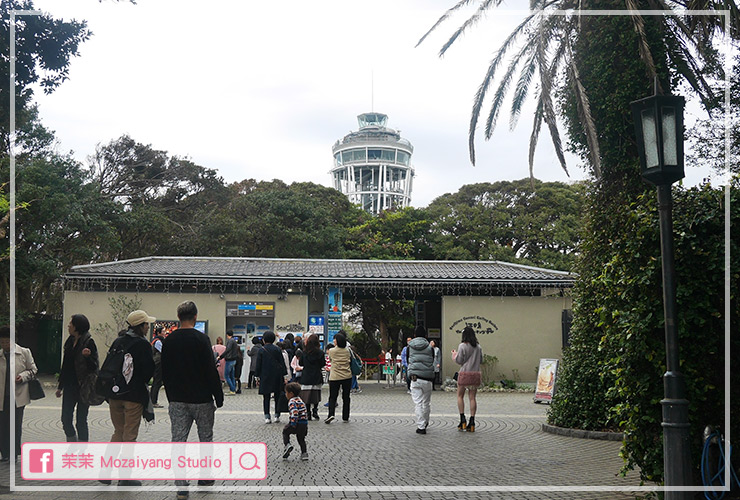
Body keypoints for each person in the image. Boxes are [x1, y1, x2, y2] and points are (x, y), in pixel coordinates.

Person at [162, 301, 224, 500]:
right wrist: (218, 395)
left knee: (178, 441)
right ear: (195, 316)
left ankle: (181, 486)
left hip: (178, 399)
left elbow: (164, 370)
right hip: (202, 399)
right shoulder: (201, 339)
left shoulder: (169, 340)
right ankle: (205, 478)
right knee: (205, 439)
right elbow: (209, 369)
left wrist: (171, 395)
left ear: (178, 317)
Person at [106, 310, 156, 444]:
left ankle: (108, 463)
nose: (148, 327)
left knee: (119, 431)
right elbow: (148, 371)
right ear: (140, 325)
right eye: (146, 324)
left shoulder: (118, 341)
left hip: (115, 394)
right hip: (134, 396)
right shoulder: (143, 344)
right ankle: (126, 464)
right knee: (130, 435)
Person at [56, 314, 99, 441]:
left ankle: (82, 448)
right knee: (65, 419)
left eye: (71, 323)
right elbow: (66, 365)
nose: (69, 325)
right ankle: (72, 440)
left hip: (84, 387)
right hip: (69, 386)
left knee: (81, 420)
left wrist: (88, 357)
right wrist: (60, 386)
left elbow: (94, 367)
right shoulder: (69, 341)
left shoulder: (89, 342)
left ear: (77, 326)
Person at [0, 326, 37, 462]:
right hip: (2, 397)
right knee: (2, 425)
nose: (5, 345)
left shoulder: (24, 353)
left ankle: (14, 454)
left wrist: (23, 376)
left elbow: (33, 370)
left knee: (15, 426)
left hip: (18, 395)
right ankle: (4, 453)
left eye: (7, 342)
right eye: (2, 342)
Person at [452, 326, 483, 432]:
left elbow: (459, 360)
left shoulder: (462, 346)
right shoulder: (478, 347)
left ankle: (462, 419)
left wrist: (454, 355)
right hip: (475, 374)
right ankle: (472, 421)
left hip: (465, 373)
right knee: (472, 398)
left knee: (460, 396)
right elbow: (481, 360)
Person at [254, 331, 287, 424]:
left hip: (265, 376)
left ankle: (267, 416)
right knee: (277, 396)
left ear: (264, 340)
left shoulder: (262, 350)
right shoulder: (277, 349)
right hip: (277, 375)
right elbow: (282, 363)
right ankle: (277, 415)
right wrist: (284, 375)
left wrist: (257, 376)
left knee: (266, 396)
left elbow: (258, 365)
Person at [407, 325, 435, 434]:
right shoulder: (430, 348)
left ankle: (421, 426)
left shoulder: (409, 347)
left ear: (414, 335)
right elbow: (432, 360)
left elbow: (408, 360)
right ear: (425, 336)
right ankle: (426, 422)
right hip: (427, 378)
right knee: (426, 403)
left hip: (415, 378)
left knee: (418, 403)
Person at [325, 332, 352, 424]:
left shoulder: (332, 351)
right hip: (347, 376)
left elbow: (331, 360)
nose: (334, 341)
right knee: (346, 397)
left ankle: (331, 414)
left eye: (335, 339)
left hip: (335, 376)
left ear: (337, 341)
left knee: (332, 397)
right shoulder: (348, 350)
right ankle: (345, 416)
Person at [298, 334, 325, 420]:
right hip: (316, 375)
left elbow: (300, 363)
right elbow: (322, 364)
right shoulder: (320, 353)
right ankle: (315, 411)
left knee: (306, 396)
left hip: (306, 376)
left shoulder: (304, 352)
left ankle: (308, 412)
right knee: (316, 394)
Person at [281, 382, 309, 461]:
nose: (286, 394)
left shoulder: (292, 401)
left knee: (285, 432)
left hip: (296, 422)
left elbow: (294, 412)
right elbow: (305, 413)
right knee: (301, 439)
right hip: (303, 423)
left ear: (291, 393)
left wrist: (293, 423)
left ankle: (287, 445)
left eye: (286, 392)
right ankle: (304, 453)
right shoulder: (300, 400)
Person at [217, 330, 239, 396]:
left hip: (229, 360)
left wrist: (220, 357)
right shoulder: (234, 341)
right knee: (232, 376)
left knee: (226, 376)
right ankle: (233, 389)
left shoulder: (230, 341)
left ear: (227, 335)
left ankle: (232, 389)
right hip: (234, 360)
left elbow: (227, 350)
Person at [150, 325, 165, 408]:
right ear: (158, 333)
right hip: (158, 364)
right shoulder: (158, 342)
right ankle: (153, 401)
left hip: (158, 363)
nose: (164, 333)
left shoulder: (157, 340)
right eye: (163, 332)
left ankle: (152, 400)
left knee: (157, 382)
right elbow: (163, 351)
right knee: (157, 382)